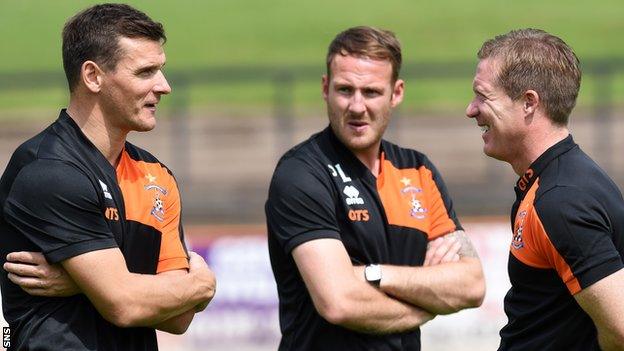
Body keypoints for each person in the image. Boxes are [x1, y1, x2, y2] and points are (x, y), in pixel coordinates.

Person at [0, 4, 216, 350]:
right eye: (146, 72)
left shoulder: (156, 177)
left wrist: (88, 282)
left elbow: (179, 317)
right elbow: (125, 305)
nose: (165, 86)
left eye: (161, 70)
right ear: (93, 76)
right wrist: (201, 286)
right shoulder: (49, 171)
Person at [265, 26, 485, 350]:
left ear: (396, 93)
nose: (356, 106)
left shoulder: (418, 171)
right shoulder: (301, 173)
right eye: (344, 90)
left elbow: (471, 285)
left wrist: (373, 275)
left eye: (371, 92)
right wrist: (430, 302)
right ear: (325, 88)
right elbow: (339, 302)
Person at [466, 28, 624, 350]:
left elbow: (621, 328)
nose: (471, 109)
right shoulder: (557, 180)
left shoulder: (560, 201)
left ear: (528, 103)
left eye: (483, 96)